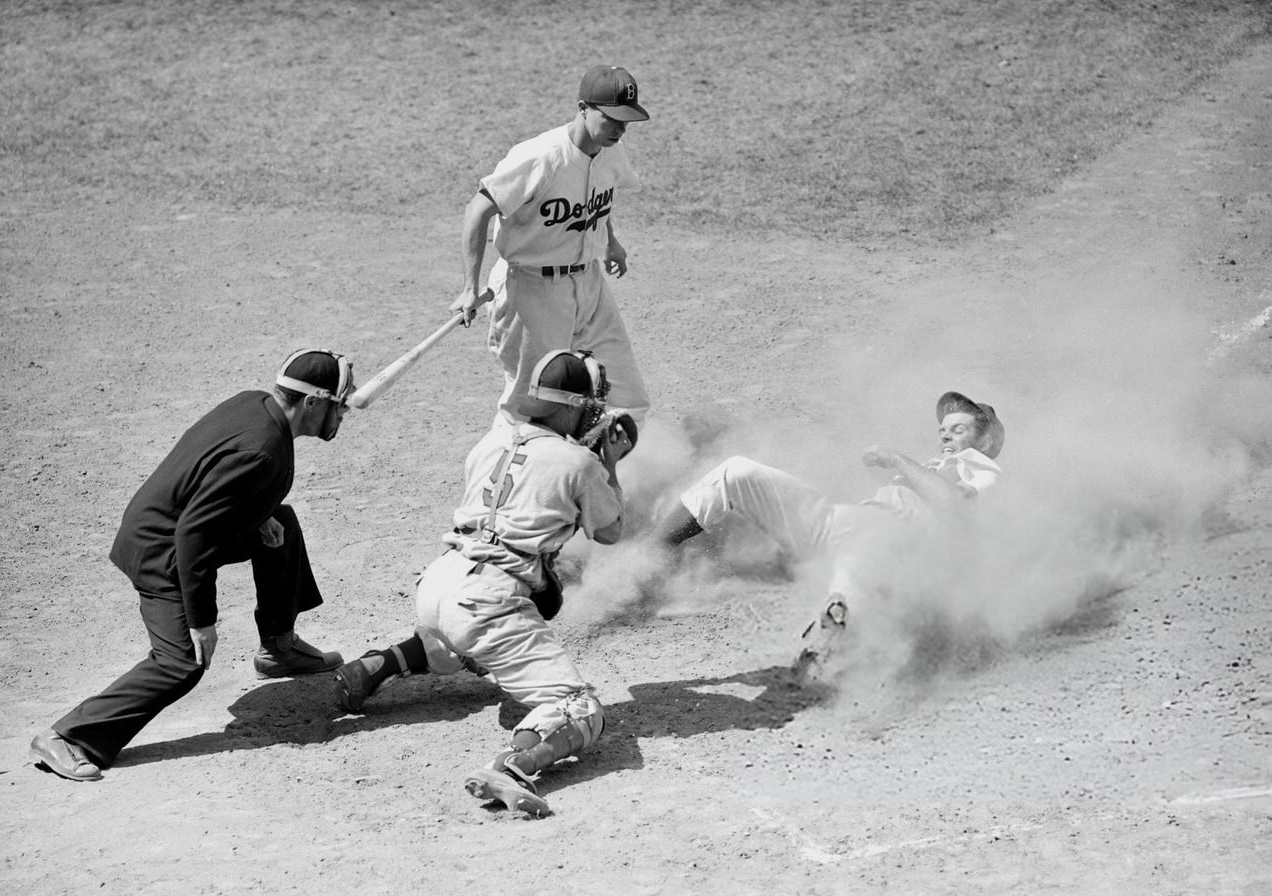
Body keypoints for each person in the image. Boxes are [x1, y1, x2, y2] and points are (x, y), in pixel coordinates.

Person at [28, 350, 356, 781]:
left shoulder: (256, 405)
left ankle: (280, 647)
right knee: (183, 661)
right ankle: (68, 736)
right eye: (340, 404)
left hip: (170, 527)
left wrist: (259, 516)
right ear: (312, 403)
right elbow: (193, 534)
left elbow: (209, 484)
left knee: (284, 526)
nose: (343, 413)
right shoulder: (263, 450)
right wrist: (202, 620)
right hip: (161, 549)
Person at [333, 349, 632, 818]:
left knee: (463, 639)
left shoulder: (492, 441)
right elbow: (612, 531)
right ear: (572, 405)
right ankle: (512, 767)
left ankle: (380, 664)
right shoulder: (580, 464)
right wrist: (608, 463)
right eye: (588, 404)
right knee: (579, 708)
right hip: (489, 600)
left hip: (439, 582)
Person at [654, 392, 1005, 673]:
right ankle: (643, 558)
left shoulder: (984, 471)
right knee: (737, 472)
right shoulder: (931, 468)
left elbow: (953, 504)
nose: (945, 433)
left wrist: (896, 459)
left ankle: (829, 640)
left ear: (985, 439)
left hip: (896, 546)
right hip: (843, 523)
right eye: (944, 429)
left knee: (855, 570)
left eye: (959, 429)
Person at [449, 64, 652, 426]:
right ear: (583, 108)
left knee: (624, 398)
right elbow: (477, 209)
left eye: (627, 121)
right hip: (532, 292)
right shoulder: (540, 157)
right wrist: (468, 288)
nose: (621, 129)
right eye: (612, 119)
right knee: (529, 407)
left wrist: (610, 241)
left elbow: (595, 199)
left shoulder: (611, 151)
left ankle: (602, 477)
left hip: (589, 286)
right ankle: (509, 477)